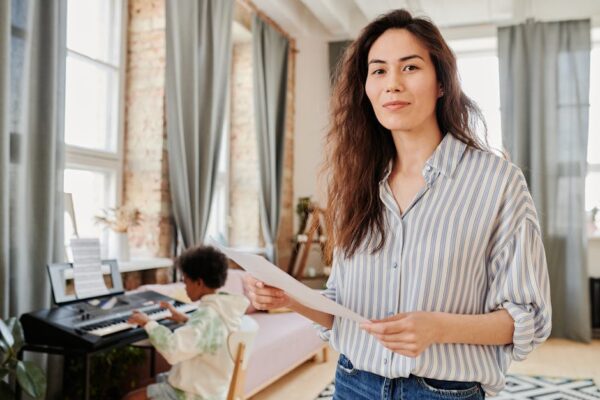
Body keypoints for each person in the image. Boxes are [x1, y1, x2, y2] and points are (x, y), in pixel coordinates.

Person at [244, 8, 551, 399]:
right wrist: (290, 298)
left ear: (441, 82)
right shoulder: (356, 184)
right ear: (366, 88)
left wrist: (438, 328)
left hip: (443, 391)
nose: (392, 84)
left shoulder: (498, 183)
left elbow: (530, 318)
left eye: (409, 68)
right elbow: (342, 309)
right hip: (353, 382)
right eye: (378, 71)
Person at [124, 246, 249, 400]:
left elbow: (173, 350)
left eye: (186, 281)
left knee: (130, 397)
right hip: (214, 389)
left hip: (194, 394)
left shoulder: (205, 316)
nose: (185, 287)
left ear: (199, 283)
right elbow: (211, 333)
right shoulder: (224, 309)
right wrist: (184, 319)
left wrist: (147, 322)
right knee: (152, 380)